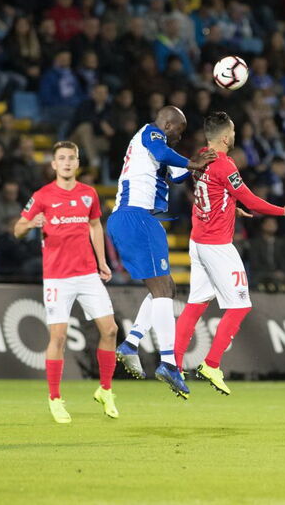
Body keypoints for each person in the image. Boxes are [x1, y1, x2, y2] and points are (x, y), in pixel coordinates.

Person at [170, 111, 285, 395]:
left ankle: (175, 366)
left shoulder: (202, 156)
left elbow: (211, 195)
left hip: (198, 241)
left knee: (196, 304)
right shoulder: (224, 164)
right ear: (227, 136)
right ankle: (211, 363)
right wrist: (283, 211)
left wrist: (231, 208)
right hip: (217, 245)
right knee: (240, 305)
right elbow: (250, 198)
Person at [107, 106, 215, 399]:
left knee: (166, 287)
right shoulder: (150, 133)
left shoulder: (160, 151)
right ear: (168, 125)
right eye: (178, 131)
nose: (179, 137)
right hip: (136, 217)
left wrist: (204, 167)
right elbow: (172, 156)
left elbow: (181, 174)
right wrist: (193, 163)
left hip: (140, 220)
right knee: (164, 291)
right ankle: (169, 362)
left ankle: (131, 344)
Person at [13, 141, 118, 424]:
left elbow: (95, 226)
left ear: (77, 162)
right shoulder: (43, 196)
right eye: (62, 158)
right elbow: (17, 229)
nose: (67, 162)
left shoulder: (89, 194)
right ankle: (55, 398)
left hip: (87, 274)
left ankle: (106, 390)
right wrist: (30, 224)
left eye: (72, 158)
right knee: (58, 337)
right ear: (54, 165)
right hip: (58, 277)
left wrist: (102, 261)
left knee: (110, 330)